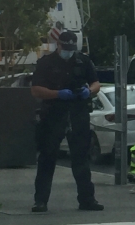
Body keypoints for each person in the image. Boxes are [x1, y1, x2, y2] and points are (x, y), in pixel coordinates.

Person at [29, 31, 103, 213]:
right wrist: (57, 94)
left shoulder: (83, 61)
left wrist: (89, 91)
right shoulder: (46, 63)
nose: (68, 52)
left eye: (71, 48)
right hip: (53, 114)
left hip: (78, 113)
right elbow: (36, 90)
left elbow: (96, 83)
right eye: (66, 48)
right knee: (47, 158)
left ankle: (87, 199)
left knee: (81, 159)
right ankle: (41, 201)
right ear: (58, 45)